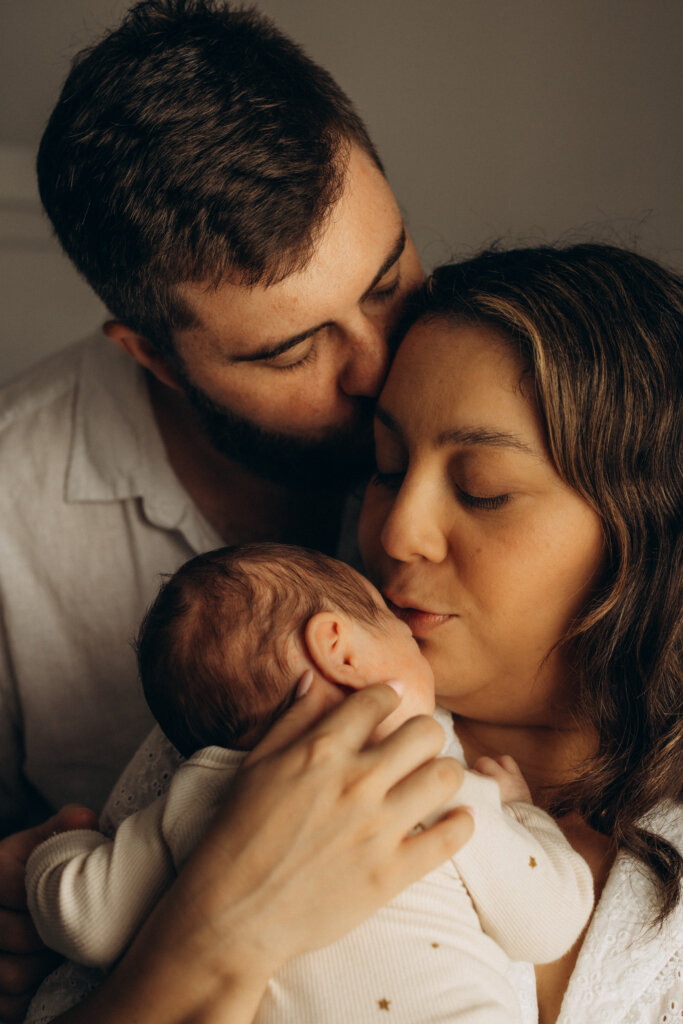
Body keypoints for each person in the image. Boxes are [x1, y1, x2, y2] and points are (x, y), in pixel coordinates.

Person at [26, 243, 680, 1024]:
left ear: (649, 532)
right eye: (386, 468)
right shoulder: (264, 715)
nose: (397, 532)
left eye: (482, 491)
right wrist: (211, 928)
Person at [0, 1, 425, 1015]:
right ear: (147, 354)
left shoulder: (497, 397)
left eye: (385, 281)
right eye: (289, 350)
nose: (375, 369)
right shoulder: (11, 508)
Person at [26, 543, 593, 1023]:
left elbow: (85, 920)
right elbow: (551, 923)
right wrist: (519, 813)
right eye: (395, 624)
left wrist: (57, 849)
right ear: (340, 652)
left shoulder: (186, 801)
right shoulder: (437, 783)